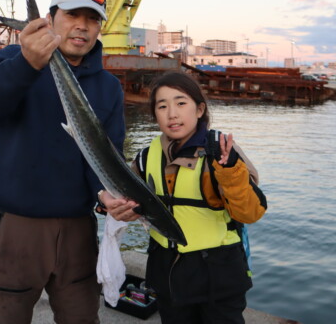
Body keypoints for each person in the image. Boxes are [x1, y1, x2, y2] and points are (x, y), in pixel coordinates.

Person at [0, 0, 134, 324]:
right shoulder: (9, 60)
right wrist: (27, 64)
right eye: (72, 14)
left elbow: (105, 158)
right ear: (49, 19)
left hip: (77, 231)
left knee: (82, 317)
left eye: (92, 19)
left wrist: (105, 196)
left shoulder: (109, 88)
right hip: (15, 226)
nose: (82, 25)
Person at [99, 71, 267, 324]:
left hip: (218, 276)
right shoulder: (146, 157)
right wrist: (108, 204)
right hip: (166, 274)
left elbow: (251, 213)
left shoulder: (221, 152)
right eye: (162, 106)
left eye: (181, 103)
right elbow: (122, 197)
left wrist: (230, 170)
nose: (172, 114)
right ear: (154, 114)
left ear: (199, 110)